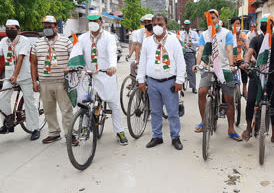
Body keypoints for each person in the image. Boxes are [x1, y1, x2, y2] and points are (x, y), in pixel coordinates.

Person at [69, 10, 128, 145]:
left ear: (101, 22)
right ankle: (83, 127)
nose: (93, 23)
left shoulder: (109, 37)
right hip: (87, 74)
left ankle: (119, 132)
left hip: (105, 74)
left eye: (96, 21)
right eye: (91, 21)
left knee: (113, 103)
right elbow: (76, 52)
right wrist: (72, 65)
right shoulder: (83, 38)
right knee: (82, 101)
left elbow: (112, 53)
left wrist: (112, 66)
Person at [241, 13, 274, 146]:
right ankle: (248, 128)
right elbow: (249, 52)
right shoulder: (256, 39)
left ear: (272, 24)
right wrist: (246, 62)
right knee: (251, 101)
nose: (264, 26)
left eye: (267, 24)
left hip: (273, 75)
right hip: (258, 74)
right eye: (262, 24)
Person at [137, 15, 186, 150]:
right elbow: (142, 62)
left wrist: (179, 80)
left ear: (166, 26)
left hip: (169, 82)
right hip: (152, 82)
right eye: (155, 24)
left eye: (160, 24)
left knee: (172, 112)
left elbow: (180, 61)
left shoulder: (173, 41)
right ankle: (157, 136)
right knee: (155, 111)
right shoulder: (147, 41)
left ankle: (175, 137)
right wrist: (141, 80)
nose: (157, 27)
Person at [192, 9, 242, 141]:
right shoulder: (204, 34)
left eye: (213, 18)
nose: (211, 21)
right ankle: (203, 121)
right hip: (210, 68)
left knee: (229, 99)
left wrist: (232, 65)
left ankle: (231, 129)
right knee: (202, 92)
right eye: (209, 19)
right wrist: (197, 64)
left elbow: (230, 50)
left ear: (218, 18)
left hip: (225, 68)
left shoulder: (227, 33)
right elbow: (201, 50)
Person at [31, 16, 76, 145]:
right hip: (44, 83)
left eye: (49, 27)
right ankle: (54, 133)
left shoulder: (66, 42)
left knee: (66, 110)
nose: (46, 29)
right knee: (48, 110)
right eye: (44, 27)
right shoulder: (37, 43)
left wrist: (68, 79)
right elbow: (33, 63)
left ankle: (70, 134)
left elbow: (72, 60)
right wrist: (35, 81)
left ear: (56, 27)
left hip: (61, 82)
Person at [0, 20, 40, 140]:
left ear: (18, 30)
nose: (9, 30)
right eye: (7, 28)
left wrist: (15, 75)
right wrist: (11, 76)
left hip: (23, 76)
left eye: (12, 28)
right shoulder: (3, 41)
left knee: (30, 103)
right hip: (9, 76)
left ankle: (35, 128)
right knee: (2, 98)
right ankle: (8, 122)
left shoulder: (24, 40)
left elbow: (21, 58)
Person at [231, 16, 250, 98]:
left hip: (239, 59)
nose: (238, 26)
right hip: (229, 60)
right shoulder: (228, 35)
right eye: (236, 24)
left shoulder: (243, 35)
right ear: (232, 25)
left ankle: (244, 89)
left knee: (245, 68)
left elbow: (248, 48)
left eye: (239, 24)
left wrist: (251, 58)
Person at [180, 20, 199, 94]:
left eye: (188, 25)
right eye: (185, 25)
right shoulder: (181, 34)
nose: (187, 27)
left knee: (192, 70)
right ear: (183, 26)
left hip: (191, 53)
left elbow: (199, 42)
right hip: (182, 53)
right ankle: (180, 85)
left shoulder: (194, 34)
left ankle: (193, 87)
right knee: (180, 69)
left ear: (190, 25)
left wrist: (192, 43)